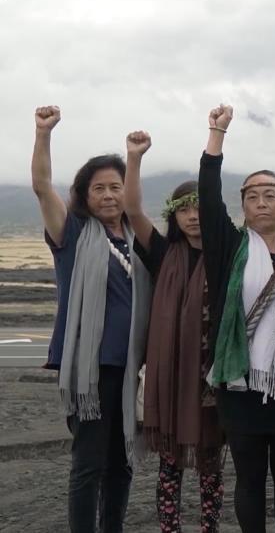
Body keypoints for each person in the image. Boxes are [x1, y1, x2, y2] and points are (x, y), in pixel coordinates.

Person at [198, 103, 275, 533]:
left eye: (270, 194)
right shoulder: (227, 249)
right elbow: (208, 196)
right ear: (243, 208)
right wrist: (216, 135)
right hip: (241, 386)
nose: (261, 201)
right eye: (251, 196)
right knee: (250, 479)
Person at [31, 106, 153, 532]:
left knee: (121, 464)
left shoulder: (139, 242)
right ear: (85, 195)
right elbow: (42, 187)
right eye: (98, 188)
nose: (108, 195)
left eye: (115, 187)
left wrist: (133, 157)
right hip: (90, 371)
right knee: (88, 465)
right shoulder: (73, 235)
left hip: (130, 371)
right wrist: (43, 133)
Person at [122, 130, 226, 532]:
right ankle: (170, 527)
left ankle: (209, 526)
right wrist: (134, 159)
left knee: (210, 463)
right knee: (170, 465)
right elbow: (132, 211)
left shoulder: (224, 254)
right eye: (185, 209)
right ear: (175, 215)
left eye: (201, 207)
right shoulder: (163, 252)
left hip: (211, 377)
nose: (194, 215)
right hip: (170, 380)